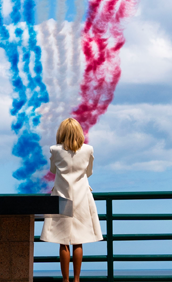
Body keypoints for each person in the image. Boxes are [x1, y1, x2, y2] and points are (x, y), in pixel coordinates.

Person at [40, 117, 102, 282]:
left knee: (63, 241)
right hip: (82, 197)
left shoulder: (55, 150)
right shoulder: (88, 149)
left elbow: (53, 170)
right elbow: (88, 172)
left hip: (61, 196)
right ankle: (77, 279)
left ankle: (65, 279)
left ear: (62, 133)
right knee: (79, 241)